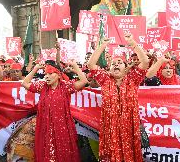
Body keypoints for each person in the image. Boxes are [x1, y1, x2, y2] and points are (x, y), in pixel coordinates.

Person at [87, 34, 149, 162]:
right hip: (111, 128)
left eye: (119, 62)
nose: (116, 65)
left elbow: (145, 62)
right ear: (109, 69)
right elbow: (91, 64)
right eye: (113, 64)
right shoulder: (105, 80)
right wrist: (102, 46)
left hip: (130, 128)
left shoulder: (133, 79)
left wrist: (132, 42)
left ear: (126, 68)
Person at [21, 60, 88, 162]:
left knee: (63, 152)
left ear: (58, 75)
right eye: (45, 74)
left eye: (50, 73)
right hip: (45, 127)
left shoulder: (65, 87)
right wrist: (35, 68)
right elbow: (25, 83)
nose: (47, 76)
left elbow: (84, 81)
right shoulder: (42, 86)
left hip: (62, 127)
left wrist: (75, 66)